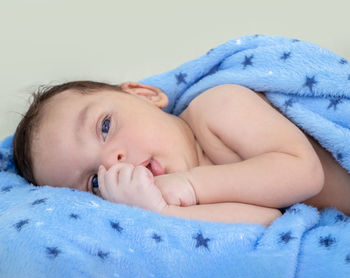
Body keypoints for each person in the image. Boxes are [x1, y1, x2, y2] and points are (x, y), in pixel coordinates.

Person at [13, 81, 350, 225]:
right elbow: (266, 221)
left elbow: (304, 173)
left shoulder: (217, 109)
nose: (112, 163)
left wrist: (191, 185)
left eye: (104, 127)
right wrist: (162, 212)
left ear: (145, 95)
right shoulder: (182, 201)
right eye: (95, 182)